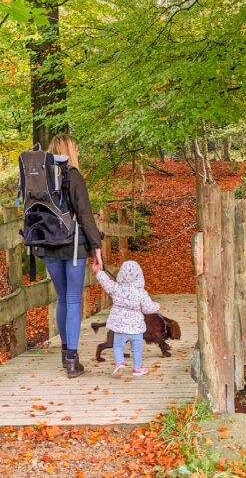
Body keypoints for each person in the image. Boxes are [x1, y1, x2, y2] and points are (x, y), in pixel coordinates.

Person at [33, 134, 103, 378]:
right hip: (73, 247)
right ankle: (73, 361)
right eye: (76, 147)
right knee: (73, 299)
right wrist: (97, 248)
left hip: (48, 246)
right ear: (68, 150)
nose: (78, 151)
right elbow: (85, 214)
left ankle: (65, 354)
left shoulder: (39, 177)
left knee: (62, 298)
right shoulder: (73, 176)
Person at [94, 260, 160, 376]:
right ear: (139, 275)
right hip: (136, 328)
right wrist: (157, 306)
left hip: (120, 327)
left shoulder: (117, 288)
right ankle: (137, 368)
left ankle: (119, 363)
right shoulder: (141, 293)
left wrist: (99, 272)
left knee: (118, 346)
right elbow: (147, 308)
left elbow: (106, 282)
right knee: (137, 350)